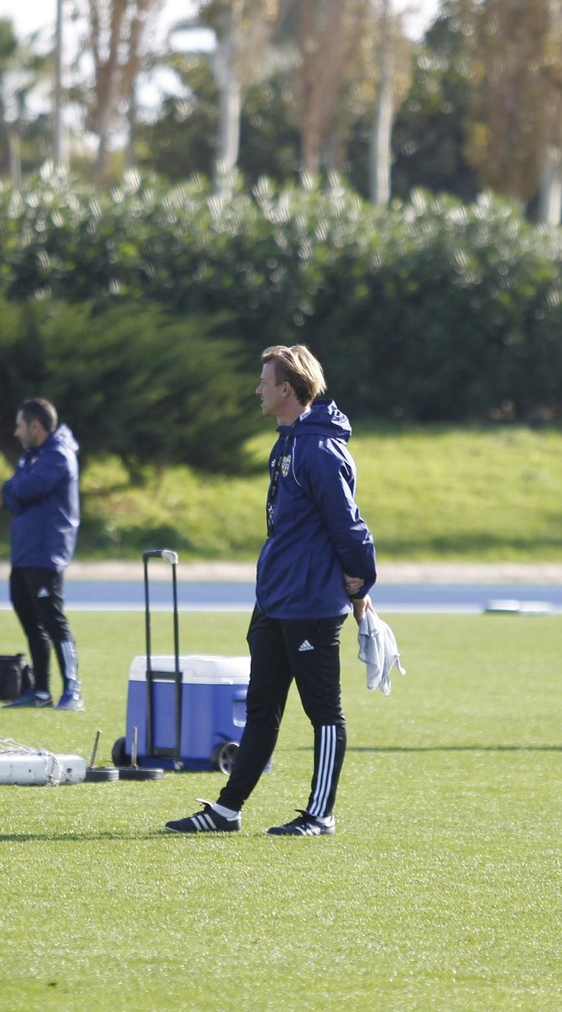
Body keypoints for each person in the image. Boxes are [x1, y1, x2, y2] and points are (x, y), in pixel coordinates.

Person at [165, 345, 377, 836]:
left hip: (310, 604)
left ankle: (320, 815)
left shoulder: (319, 450)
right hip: (275, 600)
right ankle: (226, 811)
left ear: (287, 389)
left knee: (323, 713)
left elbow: (350, 527)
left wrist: (360, 583)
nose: (257, 390)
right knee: (261, 709)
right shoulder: (287, 443)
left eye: (264, 382)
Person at [0, 398, 84, 711]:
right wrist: (14, 490)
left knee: (53, 621)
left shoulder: (58, 455)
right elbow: (11, 493)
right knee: (30, 622)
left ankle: (73, 689)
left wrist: (15, 490)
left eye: (20, 425)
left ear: (36, 426)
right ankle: (40, 692)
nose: (16, 431)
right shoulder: (31, 456)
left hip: (47, 552)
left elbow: (25, 490)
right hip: (24, 551)